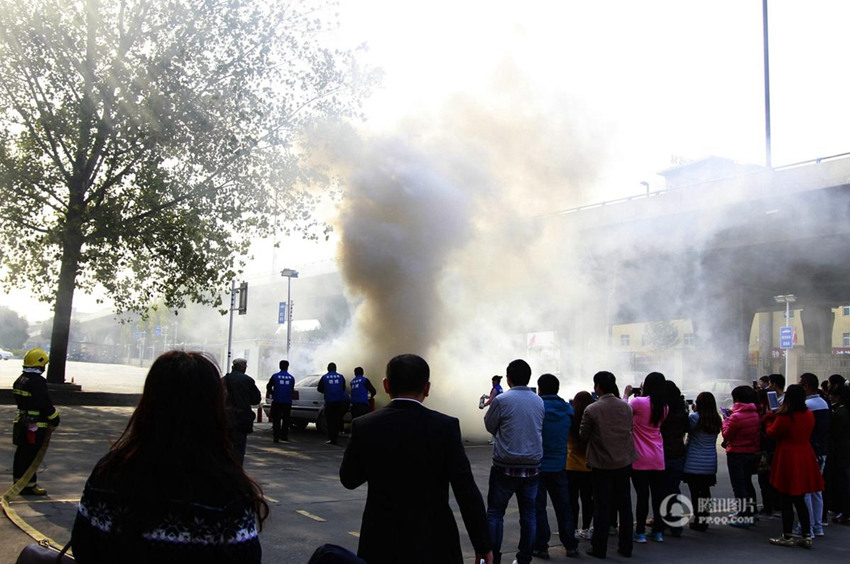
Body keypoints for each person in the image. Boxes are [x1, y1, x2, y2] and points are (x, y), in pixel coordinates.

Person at [71, 351, 269, 562]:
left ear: (149, 401)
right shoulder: (227, 490)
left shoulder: (109, 471)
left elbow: (83, 546)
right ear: (215, 407)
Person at [339, 354, 492, 564]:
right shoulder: (445, 427)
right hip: (435, 543)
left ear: (386, 385)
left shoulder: (364, 426)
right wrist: (482, 545)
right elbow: (466, 492)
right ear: (427, 388)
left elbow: (349, 479)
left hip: (380, 542)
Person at [484, 359, 544, 564]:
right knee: (529, 514)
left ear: (508, 378)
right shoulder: (538, 401)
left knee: (494, 513)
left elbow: (490, 425)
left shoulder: (502, 400)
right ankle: (524, 557)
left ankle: (494, 557)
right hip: (532, 468)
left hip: (505, 466)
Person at [579, 371, 637, 559]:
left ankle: (599, 548)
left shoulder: (592, 409)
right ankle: (626, 547)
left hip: (602, 465)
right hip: (624, 462)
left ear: (598, 387)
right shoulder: (626, 407)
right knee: (625, 506)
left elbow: (583, 436)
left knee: (602, 507)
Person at [764, 384, 824, 549]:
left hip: (787, 456)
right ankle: (806, 535)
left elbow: (771, 433)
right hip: (805, 455)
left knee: (786, 499)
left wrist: (769, 418)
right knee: (800, 499)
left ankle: (787, 535)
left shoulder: (784, 417)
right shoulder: (809, 414)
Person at [532, 374, 579, 559]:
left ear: (540, 389)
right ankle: (571, 546)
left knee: (539, 508)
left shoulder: (538, 408)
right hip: (560, 465)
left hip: (539, 465)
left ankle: (541, 546)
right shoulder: (568, 409)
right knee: (564, 507)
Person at [624, 371, 667, 543]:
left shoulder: (638, 402)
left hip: (640, 457)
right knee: (657, 495)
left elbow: (624, 412)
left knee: (642, 496)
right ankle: (658, 531)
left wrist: (627, 394)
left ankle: (640, 531)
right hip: (658, 456)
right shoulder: (664, 406)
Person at [12, 348, 60, 495]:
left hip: (21, 422)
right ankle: (29, 486)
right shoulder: (37, 382)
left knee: (22, 453)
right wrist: (55, 418)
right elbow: (44, 403)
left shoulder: (20, 380)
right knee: (31, 456)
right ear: (40, 364)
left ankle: (19, 483)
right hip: (35, 425)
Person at [721, 385, 761, 527]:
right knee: (747, 483)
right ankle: (751, 512)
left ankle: (743, 516)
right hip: (750, 453)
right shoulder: (756, 414)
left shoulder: (736, 417)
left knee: (739, 486)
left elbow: (726, 434)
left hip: (736, 453)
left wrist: (726, 419)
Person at [682, 391, 721, 531]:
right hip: (709, 461)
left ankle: (698, 518)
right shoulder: (716, 419)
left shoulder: (695, 418)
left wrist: (688, 411)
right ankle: (704, 518)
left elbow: (686, 429)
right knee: (705, 491)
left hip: (694, 461)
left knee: (695, 492)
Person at [799, 372, 829, 537]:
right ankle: (817, 526)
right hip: (821, 451)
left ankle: (807, 527)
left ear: (807, 386)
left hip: (810, 452)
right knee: (816, 490)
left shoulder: (808, 406)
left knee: (806, 491)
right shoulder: (823, 403)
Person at [222, 358, 261, 465]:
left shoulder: (224, 380)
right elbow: (256, 400)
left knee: (226, 447)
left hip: (226, 419)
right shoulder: (247, 380)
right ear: (243, 367)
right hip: (241, 419)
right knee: (239, 448)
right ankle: (237, 470)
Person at [567, 391, 595, 540]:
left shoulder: (571, 419)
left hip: (571, 465)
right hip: (589, 466)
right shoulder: (592, 419)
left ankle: (573, 529)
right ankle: (586, 528)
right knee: (587, 499)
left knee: (572, 499)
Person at [825, 379, 850, 524]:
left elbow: (835, 433)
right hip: (844, 451)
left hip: (842, 452)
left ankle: (845, 512)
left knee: (844, 483)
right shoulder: (843, 409)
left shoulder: (841, 412)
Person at [266, 360, 295, 443]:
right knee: (286, 419)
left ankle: (276, 437)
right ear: (287, 367)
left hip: (277, 401)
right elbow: (291, 389)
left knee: (276, 419)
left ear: (279, 366)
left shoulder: (275, 376)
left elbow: (268, 386)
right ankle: (284, 436)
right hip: (287, 401)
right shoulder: (291, 378)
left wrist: (272, 393)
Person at [318, 362, 347, 445]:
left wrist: (327, 392)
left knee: (330, 421)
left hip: (329, 402)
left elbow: (319, 388)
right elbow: (343, 388)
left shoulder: (324, 377)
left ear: (328, 369)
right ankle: (336, 438)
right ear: (336, 368)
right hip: (339, 402)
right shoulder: (341, 377)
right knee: (337, 420)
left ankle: (332, 439)